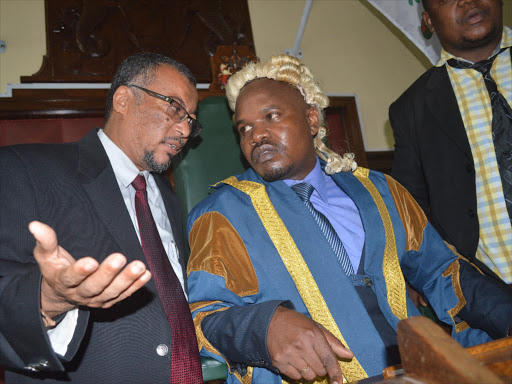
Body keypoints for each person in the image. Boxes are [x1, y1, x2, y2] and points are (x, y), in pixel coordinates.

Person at [186, 54, 512, 384]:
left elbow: (443, 271)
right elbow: (203, 317)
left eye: (271, 116)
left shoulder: (381, 191)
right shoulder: (222, 214)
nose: (257, 136)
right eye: (245, 129)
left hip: (419, 372)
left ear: (312, 119)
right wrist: (263, 326)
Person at [0, 53, 203, 383]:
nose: (184, 129)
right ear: (124, 99)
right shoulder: (24, 170)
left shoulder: (167, 196)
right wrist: (47, 302)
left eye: (191, 119)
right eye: (174, 108)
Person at [390, 0, 512, 283]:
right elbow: (414, 212)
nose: (468, 1)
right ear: (428, 21)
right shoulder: (411, 108)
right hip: (495, 297)